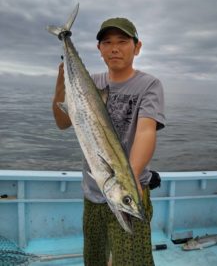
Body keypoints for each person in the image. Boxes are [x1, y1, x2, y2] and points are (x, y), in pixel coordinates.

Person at [52, 17, 165, 266]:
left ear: (137, 47)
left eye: (123, 42)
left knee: (132, 261)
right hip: (93, 194)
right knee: (95, 259)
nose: (115, 48)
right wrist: (61, 82)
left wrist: (130, 178)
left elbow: (147, 131)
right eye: (107, 42)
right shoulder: (90, 82)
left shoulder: (149, 85)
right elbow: (62, 122)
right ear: (99, 49)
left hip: (131, 190)